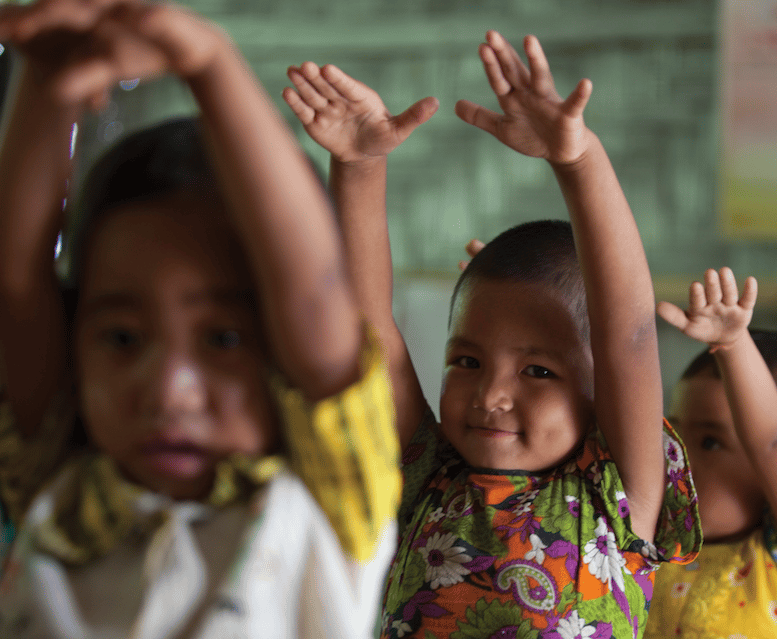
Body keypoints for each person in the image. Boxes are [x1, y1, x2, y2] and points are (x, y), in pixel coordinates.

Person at [0, 1, 402, 636]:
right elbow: (17, 276)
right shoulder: (65, 495)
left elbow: (317, 288)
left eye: (224, 338)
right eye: (122, 338)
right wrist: (47, 81)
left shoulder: (331, 505)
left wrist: (211, 65)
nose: (168, 392)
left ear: (282, 348)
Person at [283, 30, 701, 639]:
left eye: (537, 371)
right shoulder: (428, 475)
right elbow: (366, 331)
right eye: (468, 361)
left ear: (597, 389)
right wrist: (359, 167)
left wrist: (579, 160)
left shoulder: (614, 495)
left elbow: (628, 335)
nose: (490, 395)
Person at [647, 281, 777, 639]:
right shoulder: (649, 553)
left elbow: (772, 441)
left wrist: (732, 345)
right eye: (674, 437)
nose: (676, 460)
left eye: (710, 442)